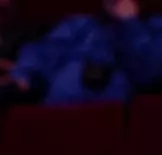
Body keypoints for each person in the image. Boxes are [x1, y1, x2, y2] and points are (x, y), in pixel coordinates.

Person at [12, 0, 162, 106]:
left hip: (111, 117)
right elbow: (44, 50)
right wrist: (25, 72)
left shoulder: (153, 29)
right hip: (60, 109)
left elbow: (145, 72)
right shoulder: (80, 24)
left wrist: (129, 23)